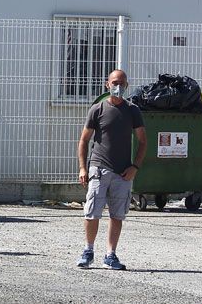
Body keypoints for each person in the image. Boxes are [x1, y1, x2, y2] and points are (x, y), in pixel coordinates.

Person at [76, 69, 146, 270]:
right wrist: (83, 168)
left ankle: (110, 255)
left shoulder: (133, 111)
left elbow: (142, 141)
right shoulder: (97, 109)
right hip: (98, 169)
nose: (118, 86)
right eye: (114, 82)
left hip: (122, 173)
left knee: (117, 215)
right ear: (107, 84)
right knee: (92, 213)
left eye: (122, 83)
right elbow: (84, 140)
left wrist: (135, 167)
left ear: (126, 86)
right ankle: (88, 251)